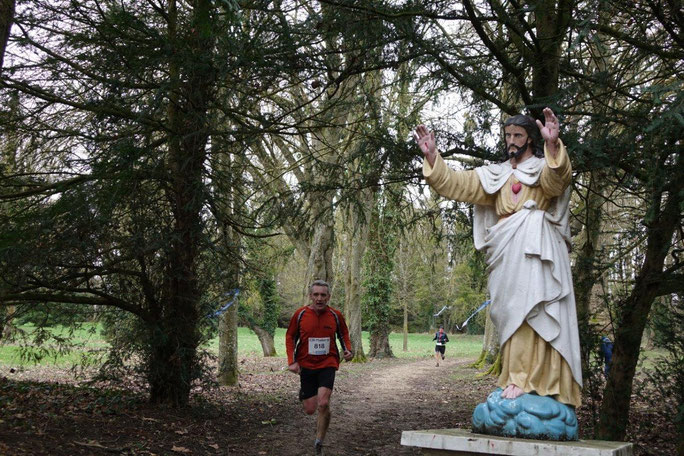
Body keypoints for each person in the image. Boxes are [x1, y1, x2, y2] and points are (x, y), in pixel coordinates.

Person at [414, 108, 582, 410]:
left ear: (531, 138)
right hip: (506, 251)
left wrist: (554, 145)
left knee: (533, 312)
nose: (511, 141)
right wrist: (432, 157)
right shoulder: (495, 174)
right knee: (509, 313)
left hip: (537, 249)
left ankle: (531, 381)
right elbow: (455, 184)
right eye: (507, 136)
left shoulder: (543, 167)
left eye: (517, 135)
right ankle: (513, 376)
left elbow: (558, 181)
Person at [285, 280, 353, 456]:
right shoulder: (300, 315)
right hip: (306, 365)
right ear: (310, 296)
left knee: (323, 403)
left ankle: (319, 441)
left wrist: (348, 350)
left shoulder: (336, 315)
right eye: (316, 295)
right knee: (310, 409)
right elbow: (290, 336)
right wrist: (291, 361)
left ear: (328, 297)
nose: (319, 298)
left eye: (323, 295)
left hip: (327, 363)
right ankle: (307, 394)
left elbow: (343, 334)